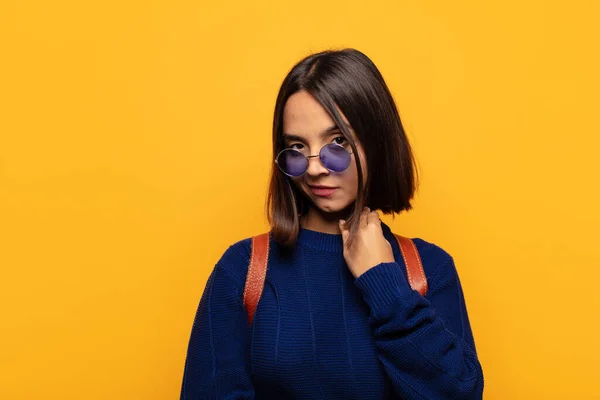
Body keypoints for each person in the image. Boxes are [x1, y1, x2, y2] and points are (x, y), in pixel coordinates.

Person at [180, 48, 484, 399]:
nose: (313, 168)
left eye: (337, 142)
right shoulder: (243, 270)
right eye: (296, 147)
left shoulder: (429, 270)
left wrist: (382, 282)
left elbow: (460, 393)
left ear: (377, 140)